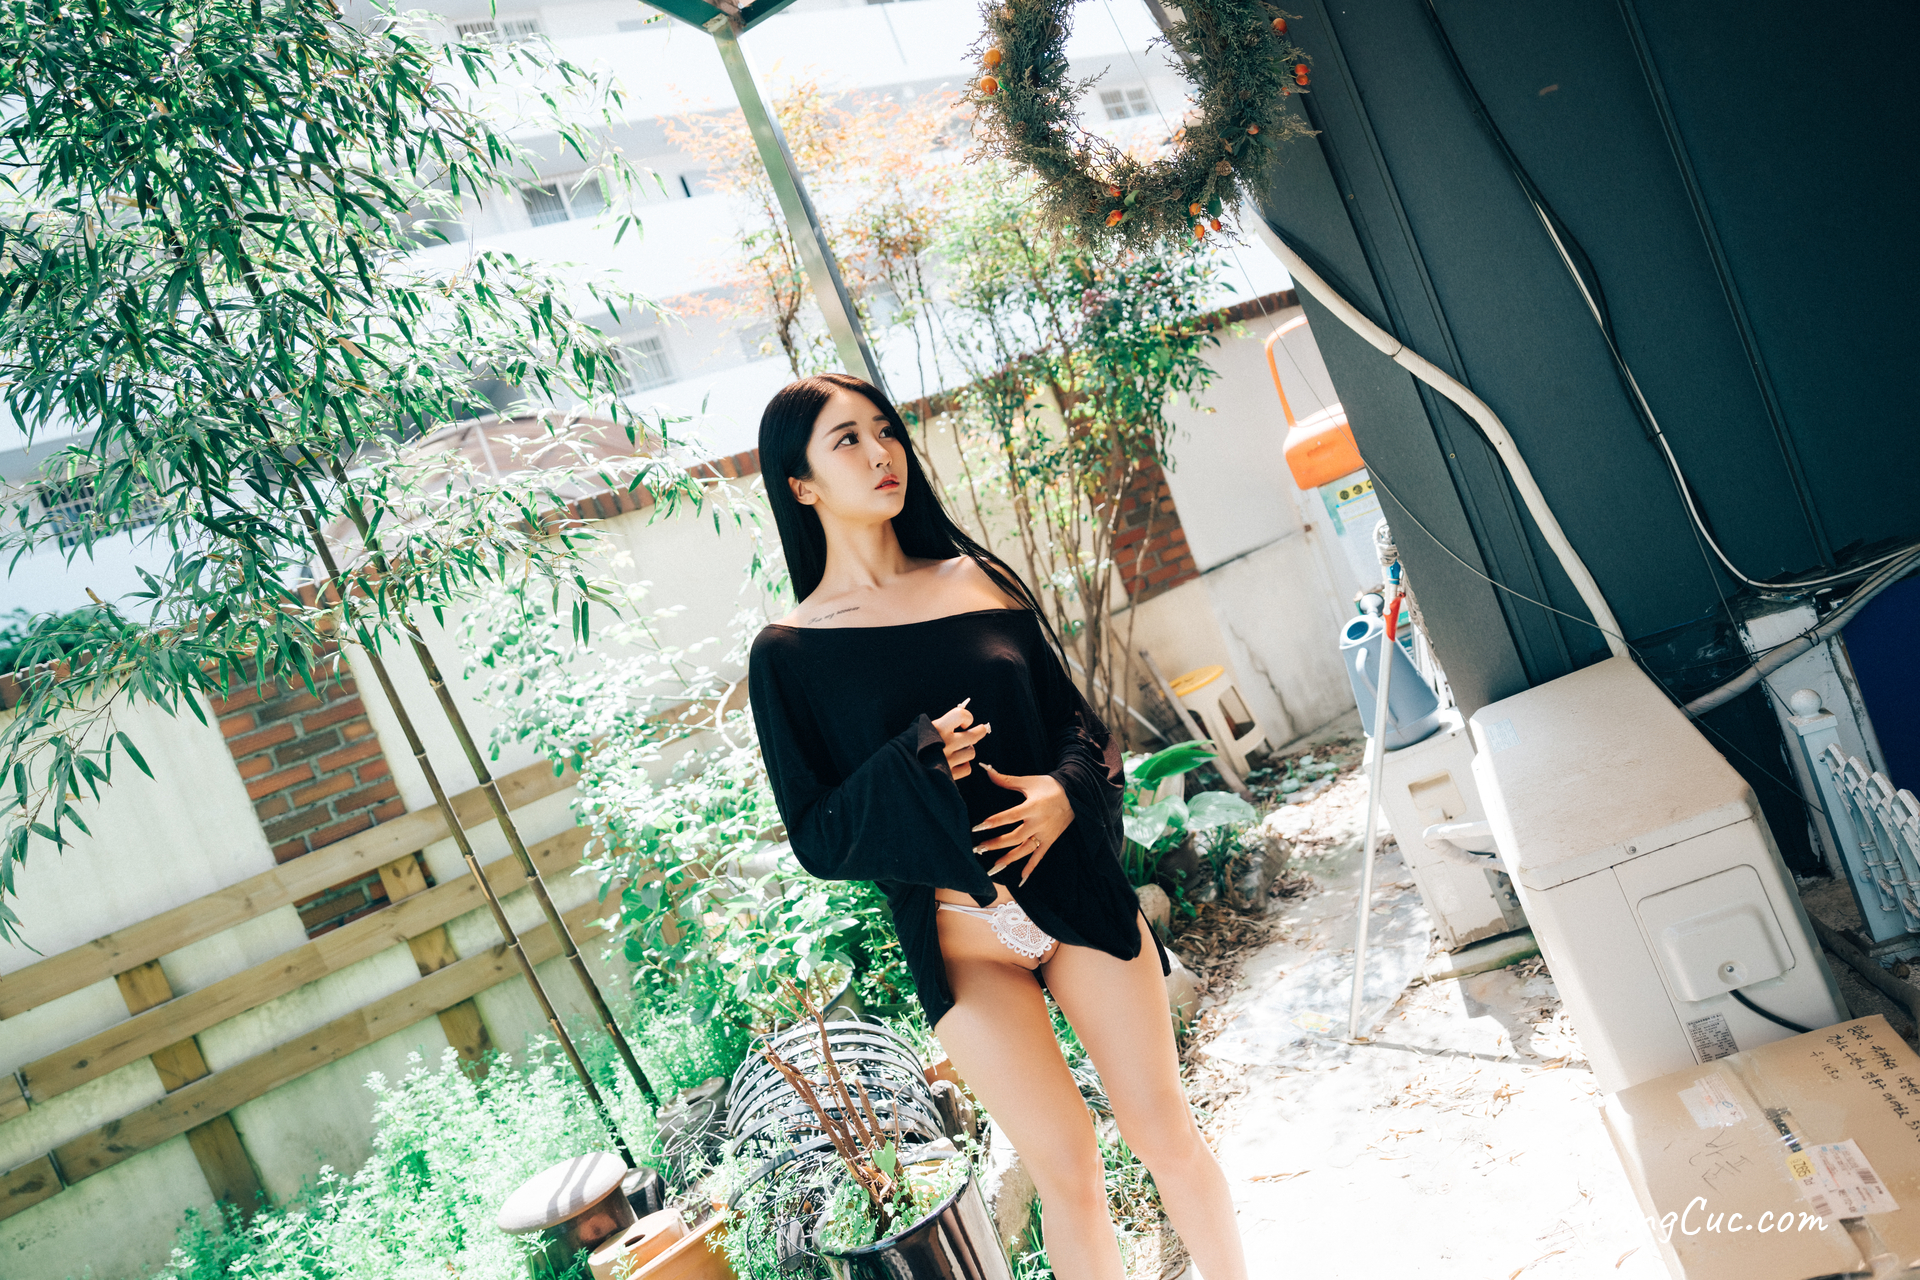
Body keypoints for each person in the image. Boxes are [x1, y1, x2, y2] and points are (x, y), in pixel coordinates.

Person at [747, 373, 1248, 1280]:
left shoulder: (975, 580)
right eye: (846, 440)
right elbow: (816, 833)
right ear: (801, 484)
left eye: (885, 430)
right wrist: (915, 759)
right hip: (963, 943)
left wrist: (1062, 791)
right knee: (1069, 1172)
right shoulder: (788, 655)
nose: (881, 452)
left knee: (1163, 1134)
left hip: (1075, 897)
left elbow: (1080, 729)